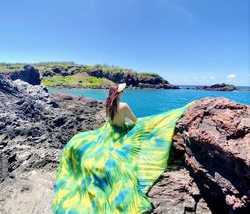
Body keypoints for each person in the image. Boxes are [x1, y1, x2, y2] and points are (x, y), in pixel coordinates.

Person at [51, 83, 195, 214]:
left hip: (107, 132)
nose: (123, 92)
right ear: (118, 93)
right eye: (122, 91)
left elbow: (110, 120)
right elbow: (135, 120)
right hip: (119, 133)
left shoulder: (108, 104)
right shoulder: (124, 105)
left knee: (87, 142)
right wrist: (144, 122)